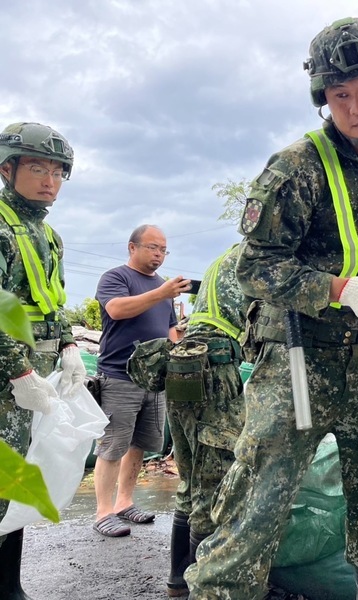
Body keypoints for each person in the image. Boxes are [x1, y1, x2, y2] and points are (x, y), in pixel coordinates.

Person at [185, 16, 358, 600]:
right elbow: (254, 266)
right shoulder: (295, 168)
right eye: (340, 95)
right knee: (256, 508)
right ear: (324, 99)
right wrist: (340, 289)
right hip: (299, 360)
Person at [0, 121, 86, 599]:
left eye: (57, 172)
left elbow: (49, 301)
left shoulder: (46, 234)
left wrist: (70, 343)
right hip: (9, 378)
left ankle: (10, 588)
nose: (50, 181)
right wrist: (18, 368)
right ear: (6, 168)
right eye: (37, 168)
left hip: (32, 380)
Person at [92, 224, 192, 538]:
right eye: (152, 247)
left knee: (140, 445)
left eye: (163, 249)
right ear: (132, 247)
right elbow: (117, 310)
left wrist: (180, 350)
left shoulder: (164, 287)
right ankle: (103, 512)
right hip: (119, 376)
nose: (159, 254)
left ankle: (124, 502)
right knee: (112, 445)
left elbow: (171, 329)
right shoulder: (116, 278)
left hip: (154, 380)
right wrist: (161, 293)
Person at [163, 244, 249, 597]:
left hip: (184, 363)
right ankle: (204, 586)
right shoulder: (262, 256)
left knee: (191, 477)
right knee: (211, 484)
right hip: (214, 366)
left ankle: (178, 580)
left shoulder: (225, 260)